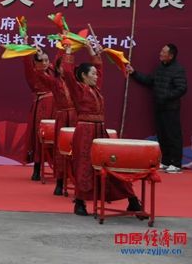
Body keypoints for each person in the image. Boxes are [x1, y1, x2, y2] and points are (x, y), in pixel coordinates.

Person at [62, 42, 141, 216]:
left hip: (100, 132)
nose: (96, 76)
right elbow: (67, 74)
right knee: (84, 167)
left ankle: (132, 199)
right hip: (84, 132)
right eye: (93, 74)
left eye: (96, 74)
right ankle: (80, 203)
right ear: (83, 75)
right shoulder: (78, 89)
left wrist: (92, 52)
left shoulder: (95, 89)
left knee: (111, 165)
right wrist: (68, 52)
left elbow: (100, 69)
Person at [126, 44, 187, 174]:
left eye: (163, 52)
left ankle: (176, 164)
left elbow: (182, 88)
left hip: (171, 108)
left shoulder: (178, 69)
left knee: (173, 136)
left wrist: (166, 96)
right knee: (162, 135)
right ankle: (166, 161)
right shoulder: (160, 68)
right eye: (161, 51)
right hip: (159, 107)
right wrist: (134, 73)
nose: (160, 53)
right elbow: (149, 80)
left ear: (171, 56)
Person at [35, 47, 76, 195]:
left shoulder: (76, 83)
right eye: (63, 66)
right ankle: (59, 182)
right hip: (62, 118)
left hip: (76, 119)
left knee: (76, 151)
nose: (66, 68)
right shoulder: (54, 82)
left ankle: (77, 182)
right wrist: (40, 59)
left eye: (68, 65)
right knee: (61, 151)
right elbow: (39, 74)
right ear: (57, 69)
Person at [23, 46, 55, 180]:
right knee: (39, 136)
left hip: (56, 108)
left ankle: (60, 170)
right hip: (42, 108)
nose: (45, 63)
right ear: (35, 62)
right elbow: (27, 62)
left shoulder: (52, 71)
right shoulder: (33, 73)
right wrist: (26, 47)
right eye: (42, 60)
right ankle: (37, 169)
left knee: (56, 137)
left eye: (47, 60)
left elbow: (60, 62)